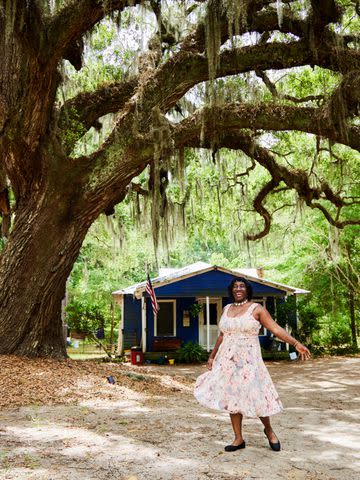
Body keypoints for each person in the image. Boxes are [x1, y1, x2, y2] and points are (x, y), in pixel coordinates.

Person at [194, 277, 311, 452]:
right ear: (231, 290)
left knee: (257, 395)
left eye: (242, 286)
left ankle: (269, 430)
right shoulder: (226, 309)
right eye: (235, 286)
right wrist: (212, 357)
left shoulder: (257, 309)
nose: (238, 289)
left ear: (247, 290)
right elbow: (222, 335)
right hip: (228, 362)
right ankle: (238, 438)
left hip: (250, 362)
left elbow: (275, 328)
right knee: (231, 396)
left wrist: (295, 344)